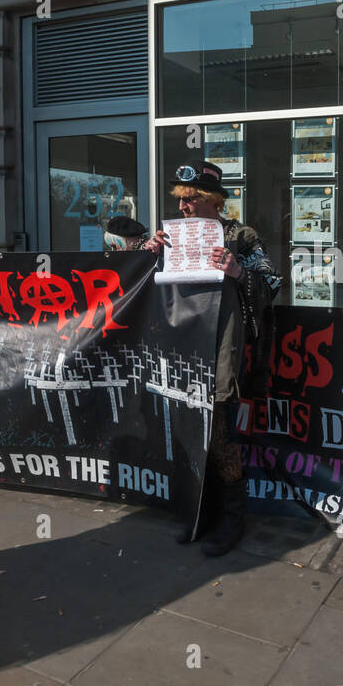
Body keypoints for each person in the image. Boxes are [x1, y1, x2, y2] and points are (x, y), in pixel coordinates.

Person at [142, 161, 281, 556]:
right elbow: (140, 285)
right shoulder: (169, 235)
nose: (183, 207)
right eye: (181, 200)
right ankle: (202, 510)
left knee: (220, 426)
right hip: (181, 341)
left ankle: (232, 519)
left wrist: (238, 271)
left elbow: (272, 282)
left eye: (191, 199)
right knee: (189, 423)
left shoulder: (240, 235)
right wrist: (150, 254)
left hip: (221, 343)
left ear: (213, 200)